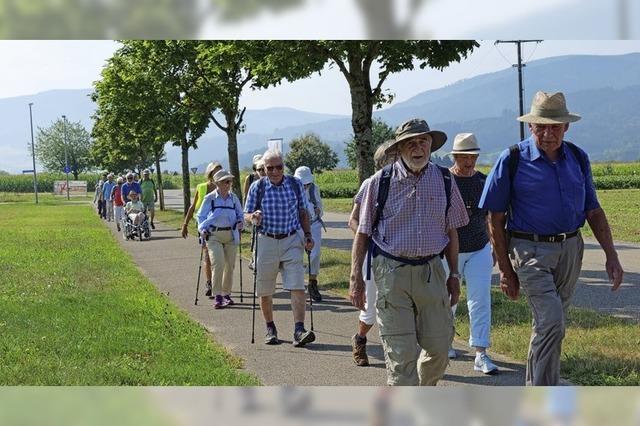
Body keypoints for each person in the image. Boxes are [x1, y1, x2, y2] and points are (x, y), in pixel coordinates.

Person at [479, 91, 624, 386]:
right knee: (552, 321)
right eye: (541, 126)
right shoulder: (513, 158)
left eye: (555, 126)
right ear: (531, 126)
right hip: (528, 249)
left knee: (549, 326)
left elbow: (593, 210)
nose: (548, 134)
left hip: (571, 248)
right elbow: (494, 218)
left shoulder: (578, 157)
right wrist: (506, 271)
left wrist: (612, 254)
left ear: (566, 127)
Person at [349, 118, 469, 385]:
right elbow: (362, 231)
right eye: (410, 143)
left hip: (432, 272)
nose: (418, 148)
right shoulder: (378, 182)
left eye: (423, 141)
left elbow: (452, 232)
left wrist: (454, 275)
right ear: (399, 149)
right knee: (402, 359)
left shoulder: (446, 180)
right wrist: (356, 277)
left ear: (430, 144)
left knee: (439, 350)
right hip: (392, 274)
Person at [244, 150, 315, 347]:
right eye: (270, 168)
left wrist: (308, 235)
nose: (275, 171)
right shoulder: (257, 187)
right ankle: (270, 328)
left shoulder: (294, 184)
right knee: (265, 290)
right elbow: (246, 214)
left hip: (292, 239)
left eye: (279, 167)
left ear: (284, 166)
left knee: (297, 286)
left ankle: (299, 330)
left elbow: (303, 211)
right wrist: (253, 217)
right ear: (264, 169)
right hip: (266, 240)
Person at [443, 133, 498, 375]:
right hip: (447, 250)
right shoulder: (444, 181)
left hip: (479, 248)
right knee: (446, 299)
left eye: (473, 157)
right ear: (454, 157)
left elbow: (490, 218)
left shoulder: (483, 182)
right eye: (464, 157)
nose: (469, 162)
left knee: (480, 300)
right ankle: (444, 342)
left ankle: (481, 353)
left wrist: (495, 247)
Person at [347, 140, 396, 367]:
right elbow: (353, 220)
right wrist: (367, 236)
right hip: (375, 253)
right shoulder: (370, 183)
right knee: (370, 306)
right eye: (394, 157)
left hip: (400, 256)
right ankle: (360, 338)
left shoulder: (411, 182)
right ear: (383, 161)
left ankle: (398, 353)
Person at [197, 169, 244, 309]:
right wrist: (202, 229)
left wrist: (241, 222)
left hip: (231, 235)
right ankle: (217, 296)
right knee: (218, 263)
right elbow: (201, 217)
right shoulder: (210, 198)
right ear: (217, 183)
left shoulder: (234, 198)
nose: (229, 184)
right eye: (226, 181)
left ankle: (226, 294)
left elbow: (240, 214)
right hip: (214, 236)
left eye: (230, 181)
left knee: (230, 266)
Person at [183, 162, 222, 298]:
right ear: (210, 174)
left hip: (222, 227)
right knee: (207, 255)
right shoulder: (201, 188)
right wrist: (185, 224)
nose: (217, 175)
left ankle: (218, 282)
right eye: (215, 172)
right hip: (205, 227)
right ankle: (209, 283)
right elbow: (192, 207)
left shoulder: (226, 188)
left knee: (220, 257)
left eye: (219, 172)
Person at [293, 166, 324, 302]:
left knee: (315, 253)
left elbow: (320, 207)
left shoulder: (314, 189)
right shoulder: (291, 190)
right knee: (297, 255)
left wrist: (318, 210)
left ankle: (312, 282)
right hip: (297, 226)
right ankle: (298, 285)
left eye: (307, 183)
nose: (305, 186)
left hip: (314, 224)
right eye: (303, 183)